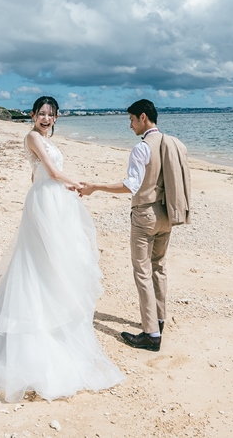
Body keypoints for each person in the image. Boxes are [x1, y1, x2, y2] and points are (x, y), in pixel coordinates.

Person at [0, 96, 124, 401]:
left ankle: (54, 326)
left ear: (57, 118)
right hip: (47, 200)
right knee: (40, 263)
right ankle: (36, 333)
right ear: (33, 115)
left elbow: (37, 175)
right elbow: (53, 173)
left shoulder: (45, 139)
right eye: (41, 113)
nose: (45, 118)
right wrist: (83, 184)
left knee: (55, 264)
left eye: (50, 114)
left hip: (53, 201)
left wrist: (61, 190)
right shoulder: (33, 136)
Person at [79, 99, 189, 353]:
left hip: (145, 216)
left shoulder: (142, 148)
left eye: (131, 119)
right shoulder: (173, 143)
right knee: (159, 267)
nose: (130, 125)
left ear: (143, 117)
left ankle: (150, 334)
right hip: (167, 213)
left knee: (142, 273)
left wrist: (96, 187)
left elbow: (131, 185)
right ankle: (159, 320)